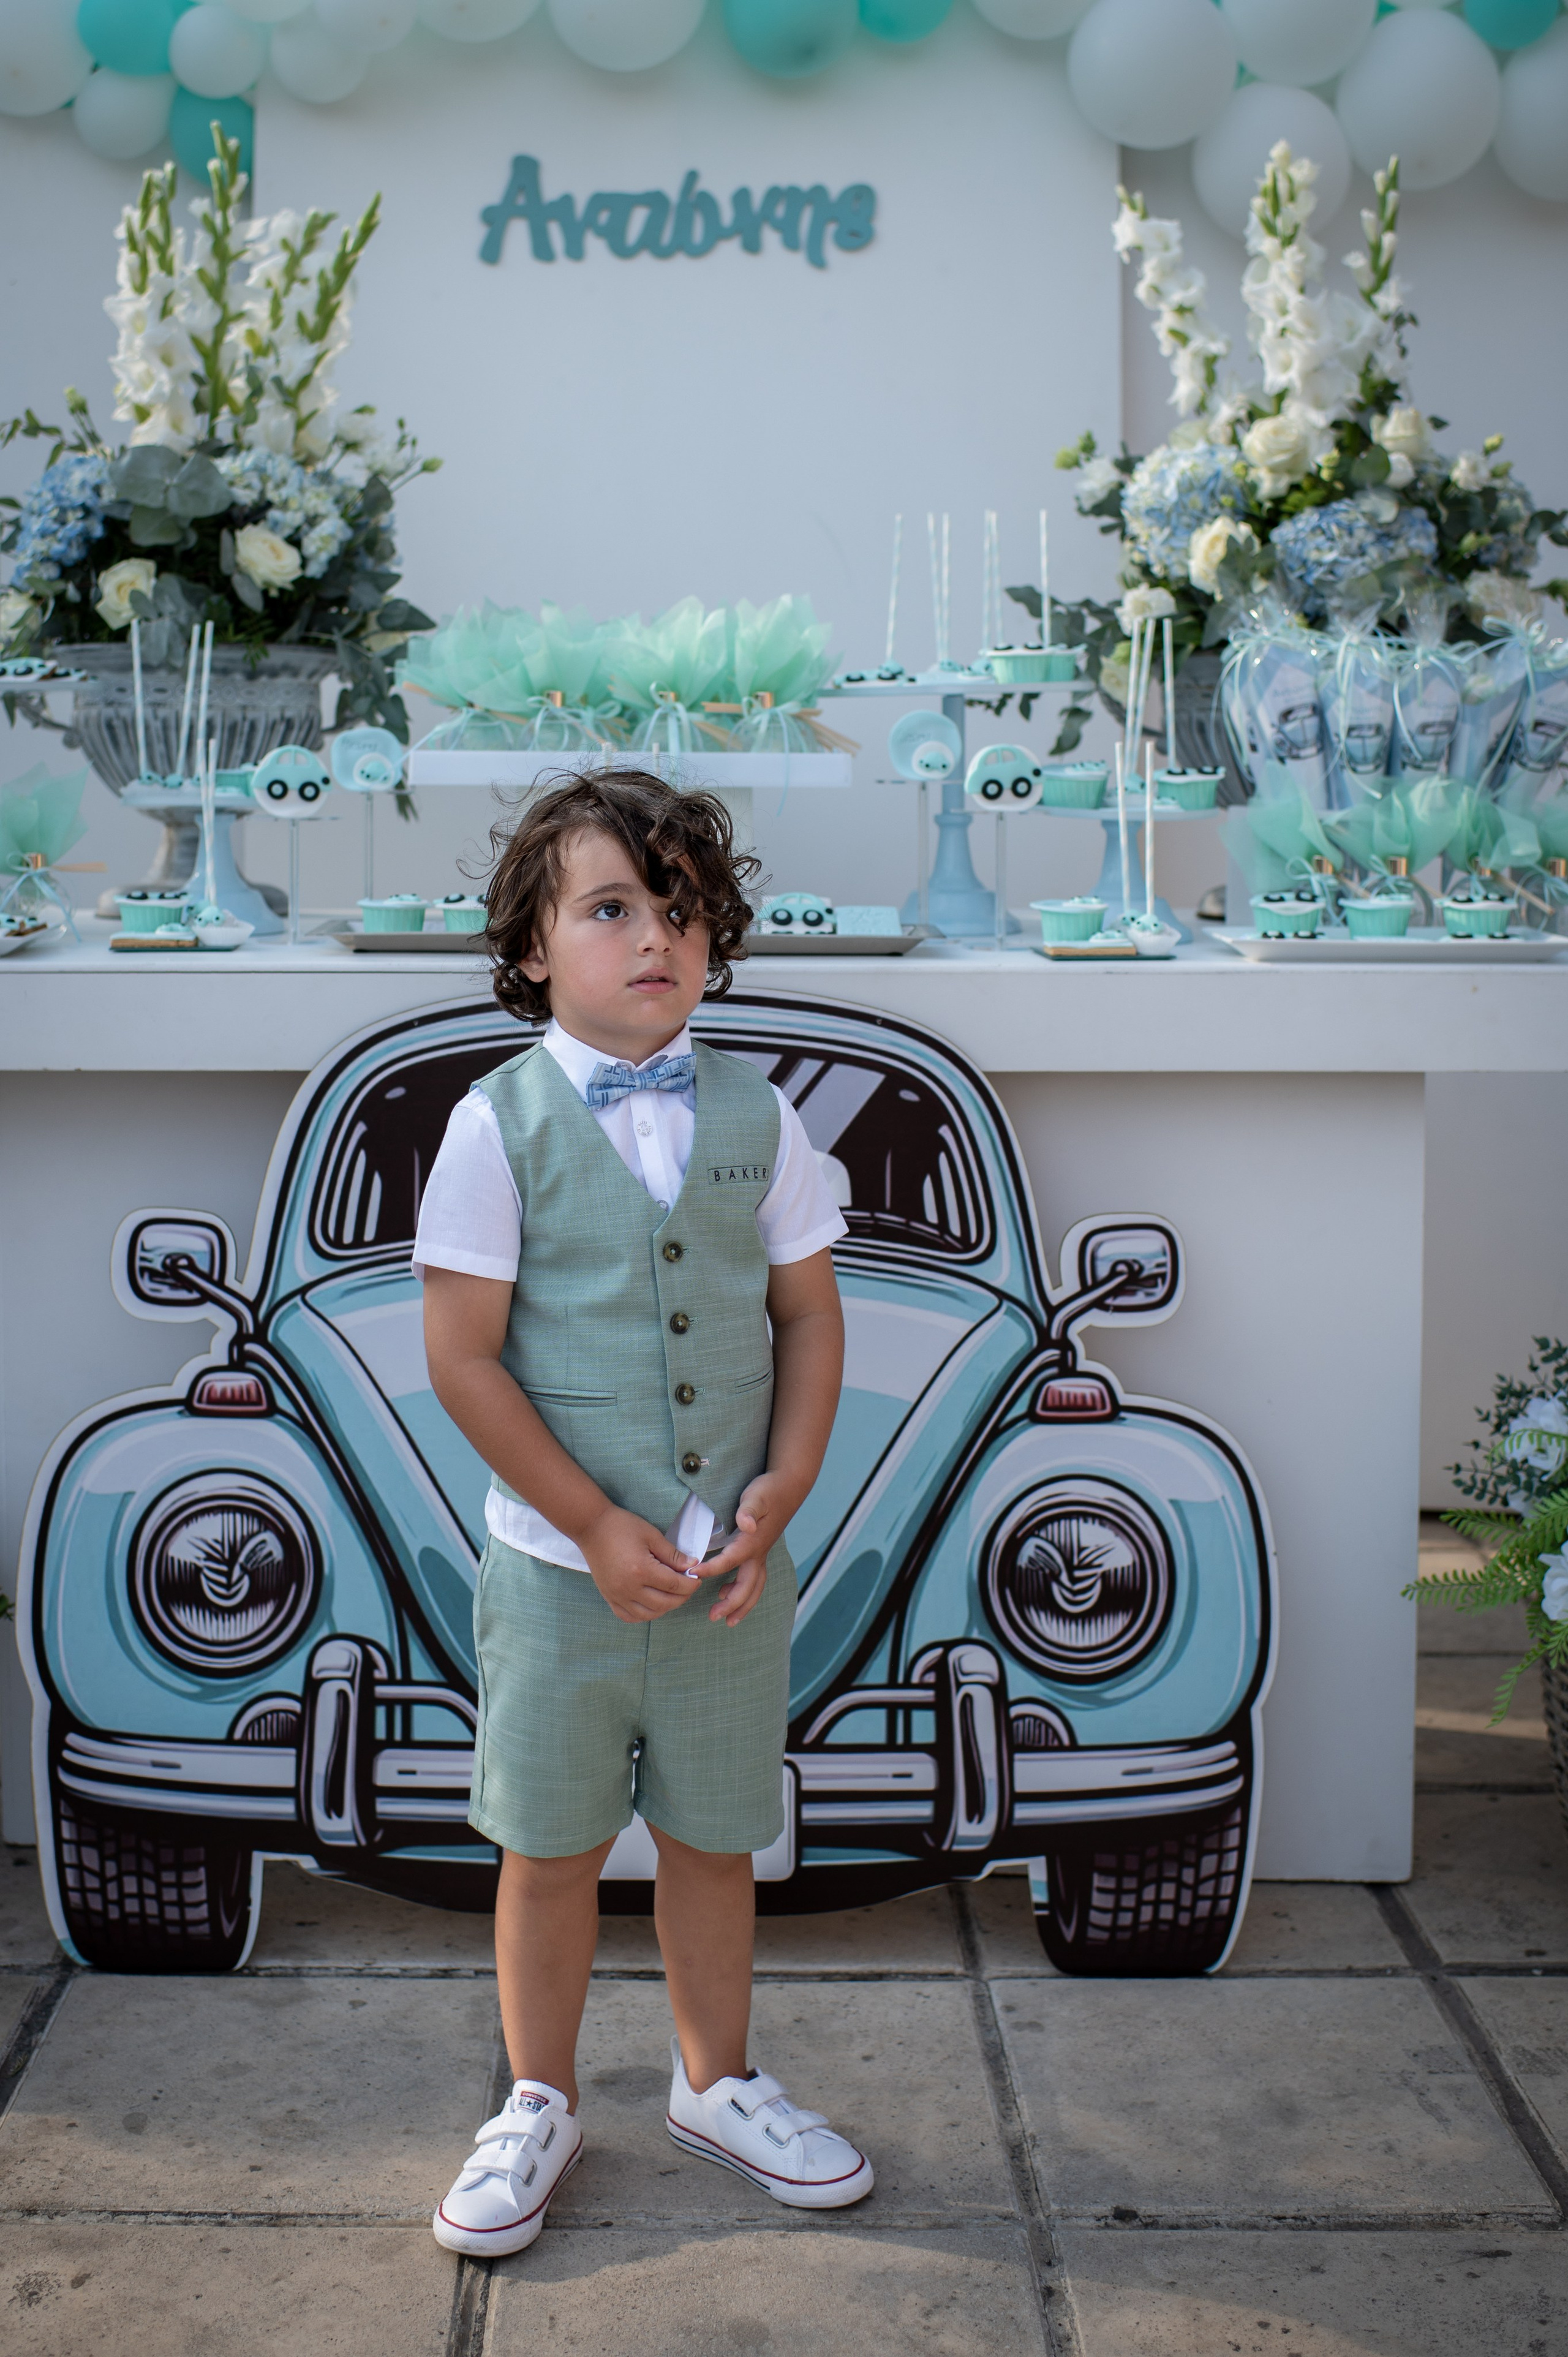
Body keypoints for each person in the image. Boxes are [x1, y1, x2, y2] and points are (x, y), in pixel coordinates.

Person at [415, 769, 873, 2260]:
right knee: (547, 1845)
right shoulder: (497, 1126)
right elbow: (462, 1357)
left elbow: (807, 1319)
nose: (650, 935)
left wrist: (784, 1486)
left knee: (712, 1833)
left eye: (677, 908)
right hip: (560, 1572)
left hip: (730, 1574)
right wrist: (596, 1523)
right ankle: (535, 2096)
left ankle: (713, 2080)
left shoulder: (763, 1117)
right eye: (609, 906)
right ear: (535, 946)